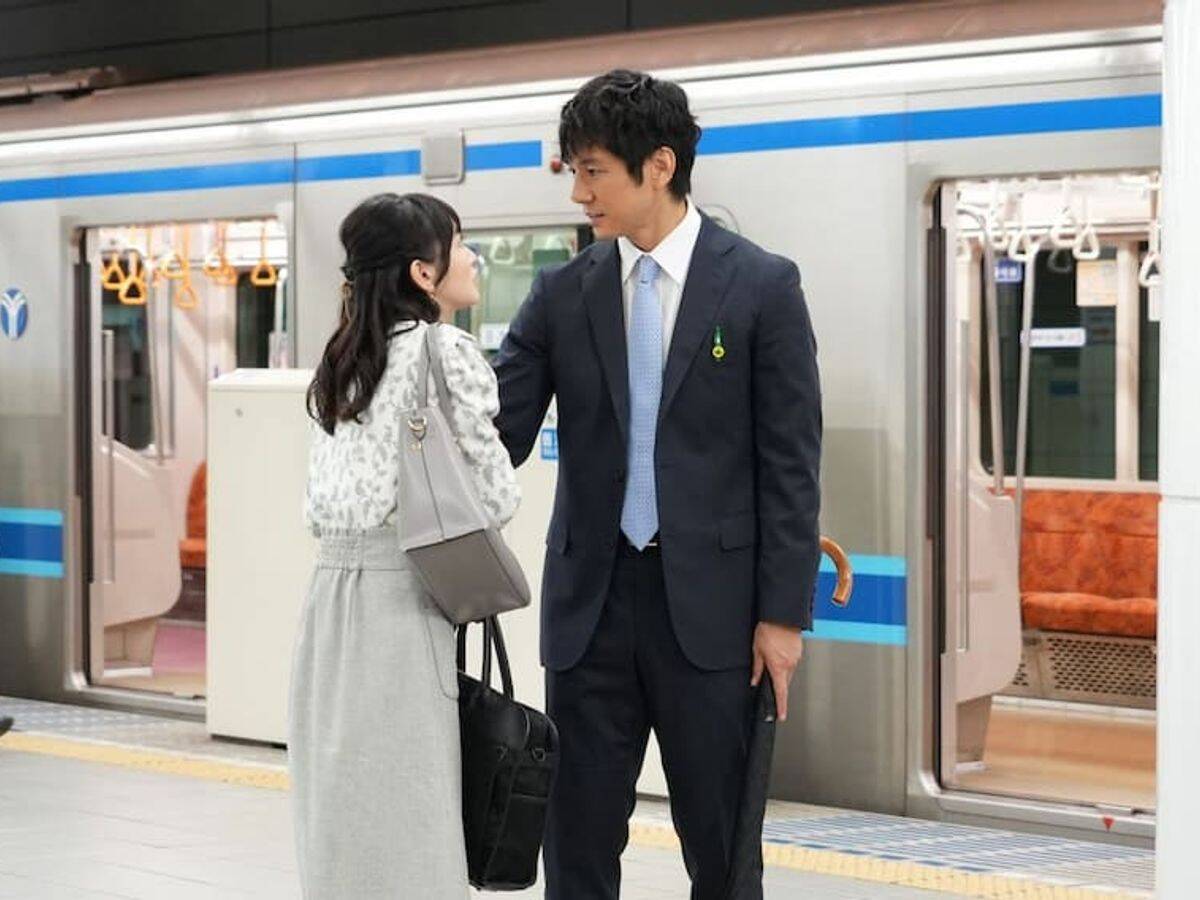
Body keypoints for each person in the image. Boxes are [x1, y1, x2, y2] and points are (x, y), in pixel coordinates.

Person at [494, 69, 822, 900]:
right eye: (575, 171)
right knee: (575, 851)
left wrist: (783, 615)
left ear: (661, 166)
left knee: (722, 852)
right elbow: (496, 434)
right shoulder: (561, 295)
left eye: (593, 170)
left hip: (717, 619)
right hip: (590, 615)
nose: (578, 193)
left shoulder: (761, 287)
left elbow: (791, 463)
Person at [290, 192, 520, 899]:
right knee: (412, 814)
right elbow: (496, 497)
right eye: (460, 244)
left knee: (341, 809)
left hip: (329, 604)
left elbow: (316, 506)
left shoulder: (340, 359)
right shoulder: (444, 350)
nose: (472, 258)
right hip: (401, 601)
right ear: (424, 273)